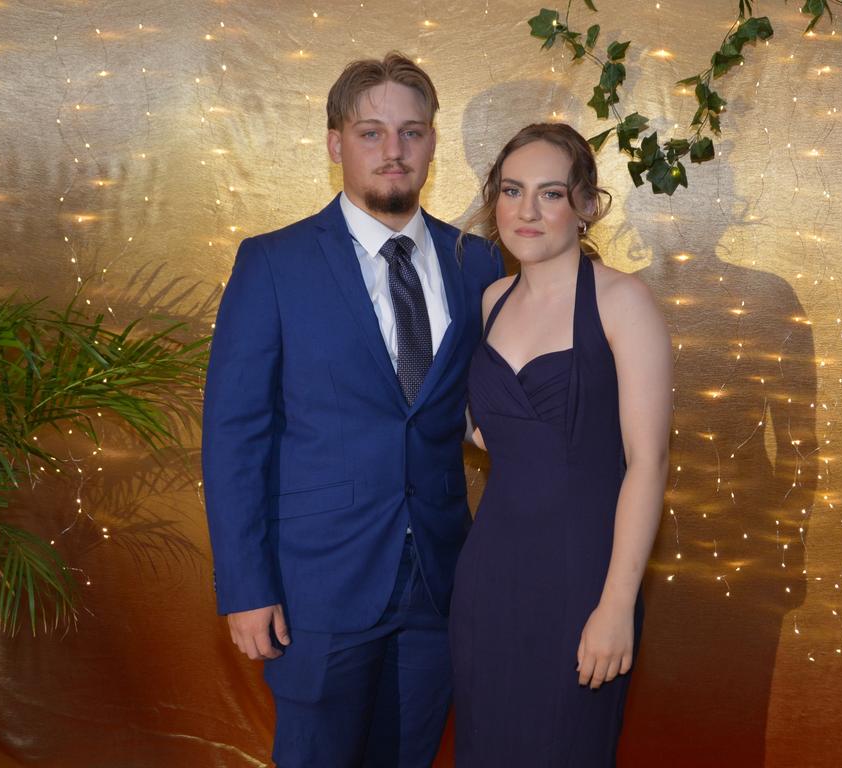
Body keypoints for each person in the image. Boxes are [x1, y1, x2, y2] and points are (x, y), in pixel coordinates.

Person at [201, 52, 502, 767]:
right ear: (336, 143)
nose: (393, 152)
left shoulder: (479, 263)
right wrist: (246, 588)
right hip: (316, 589)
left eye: (412, 132)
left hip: (439, 583)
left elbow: (489, 411)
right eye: (370, 133)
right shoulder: (272, 263)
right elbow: (233, 436)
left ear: (431, 141)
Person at [449, 122, 672, 766]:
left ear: (586, 205)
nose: (526, 210)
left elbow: (648, 465)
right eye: (513, 190)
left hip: (584, 581)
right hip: (488, 578)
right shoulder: (491, 299)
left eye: (550, 193)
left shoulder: (623, 302)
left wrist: (616, 605)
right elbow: (490, 429)